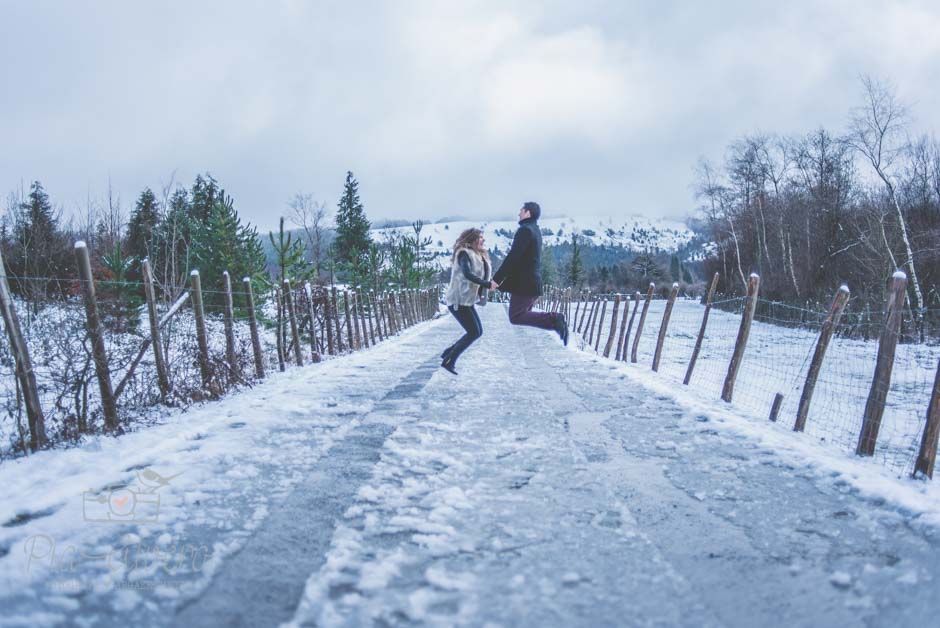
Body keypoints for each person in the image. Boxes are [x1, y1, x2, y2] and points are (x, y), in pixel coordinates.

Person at [492, 201, 568, 345]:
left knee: (516, 316)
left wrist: (497, 280)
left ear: (528, 213)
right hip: (531, 283)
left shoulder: (525, 230)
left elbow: (513, 257)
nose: (518, 213)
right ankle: (554, 321)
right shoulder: (535, 230)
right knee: (520, 315)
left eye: (521, 210)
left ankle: (554, 319)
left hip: (525, 284)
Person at [441, 228, 496, 374]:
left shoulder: (479, 255)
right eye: (480, 237)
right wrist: (487, 284)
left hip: (467, 301)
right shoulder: (464, 253)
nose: (483, 240)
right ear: (472, 239)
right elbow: (467, 274)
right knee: (474, 332)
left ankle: (448, 354)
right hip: (458, 300)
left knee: (477, 332)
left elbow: (484, 275)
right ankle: (449, 360)